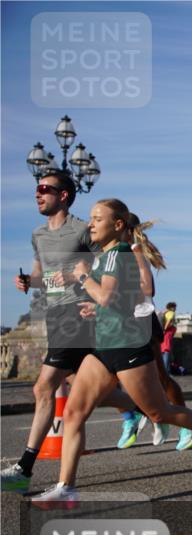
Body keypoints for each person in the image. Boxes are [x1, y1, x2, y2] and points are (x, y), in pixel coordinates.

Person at [31, 199, 192, 508]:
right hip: (104, 346)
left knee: (159, 412)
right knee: (73, 412)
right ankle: (66, 487)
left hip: (128, 347)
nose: (90, 224)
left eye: (97, 219)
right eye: (90, 218)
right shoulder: (105, 259)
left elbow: (108, 296)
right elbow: (117, 301)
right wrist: (92, 307)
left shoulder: (119, 255)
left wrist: (85, 277)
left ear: (117, 226)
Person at [2, 171, 103, 494]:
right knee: (85, 384)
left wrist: (79, 279)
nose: (38, 194)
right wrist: (27, 282)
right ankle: (145, 409)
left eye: (45, 189)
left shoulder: (81, 230)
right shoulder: (38, 235)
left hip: (80, 314)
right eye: (36, 189)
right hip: (55, 315)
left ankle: (24, 468)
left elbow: (104, 266)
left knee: (43, 388)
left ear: (64, 196)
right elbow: (40, 275)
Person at [118, 220, 192, 451]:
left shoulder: (134, 251)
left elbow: (148, 289)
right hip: (116, 325)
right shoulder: (107, 254)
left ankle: (186, 425)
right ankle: (135, 418)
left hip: (141, 322)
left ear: (119, 226)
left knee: (160, 378)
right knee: (112, 379)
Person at [161, 302, 177, 372]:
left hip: (165, 332)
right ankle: (166, 371)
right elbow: (169, 321)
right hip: (168, 332)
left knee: (163, 350)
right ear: (172, 307)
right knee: (166, 350)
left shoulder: (165, 313)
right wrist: (165, 329)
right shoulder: (171, 313)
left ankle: (166, 370)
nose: (175, 309)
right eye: (175, 307)